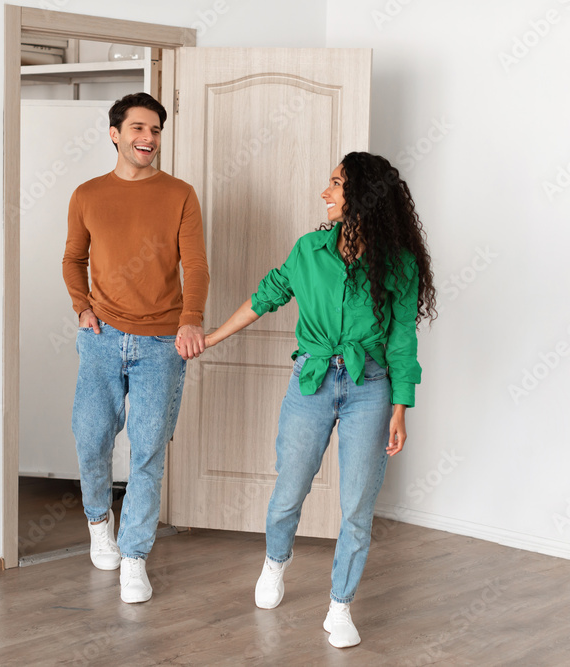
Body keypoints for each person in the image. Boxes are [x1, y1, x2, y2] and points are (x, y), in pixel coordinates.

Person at [203, 152, 437, 648]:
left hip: (370, 387)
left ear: (363, 197)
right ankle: (275, 562)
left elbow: (401, 342)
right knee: (290, 487)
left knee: (357, 503)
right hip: (311, 381)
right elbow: (265, 296)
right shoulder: (309, 250)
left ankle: (340, 605)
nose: (325, 193)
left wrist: (400, 408)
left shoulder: (398, 264)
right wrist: (211, 338)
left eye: (335, 184)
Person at [62, 92, 208, 604]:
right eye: (139, 129)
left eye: (156, 131)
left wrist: (191, 320)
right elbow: (72, 259)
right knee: (90, 437)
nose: (149, 139)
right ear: (115, 134)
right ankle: (99, 522)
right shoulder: (87, 194)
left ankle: (135, 556)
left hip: (163, 342)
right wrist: (82, 307)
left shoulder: (181, 194)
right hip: (101, 337)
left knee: (147, 450)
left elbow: (196, 265)